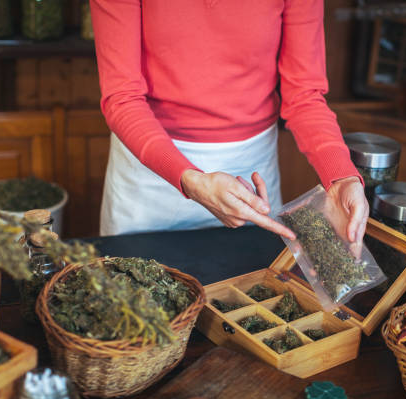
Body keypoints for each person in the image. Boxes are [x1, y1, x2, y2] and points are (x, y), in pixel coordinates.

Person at [90, 0, 368, 248]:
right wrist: (189, 179)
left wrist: (341, 177)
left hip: (250, 171)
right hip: (150, 174)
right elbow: (122, 98)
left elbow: (304, 96)